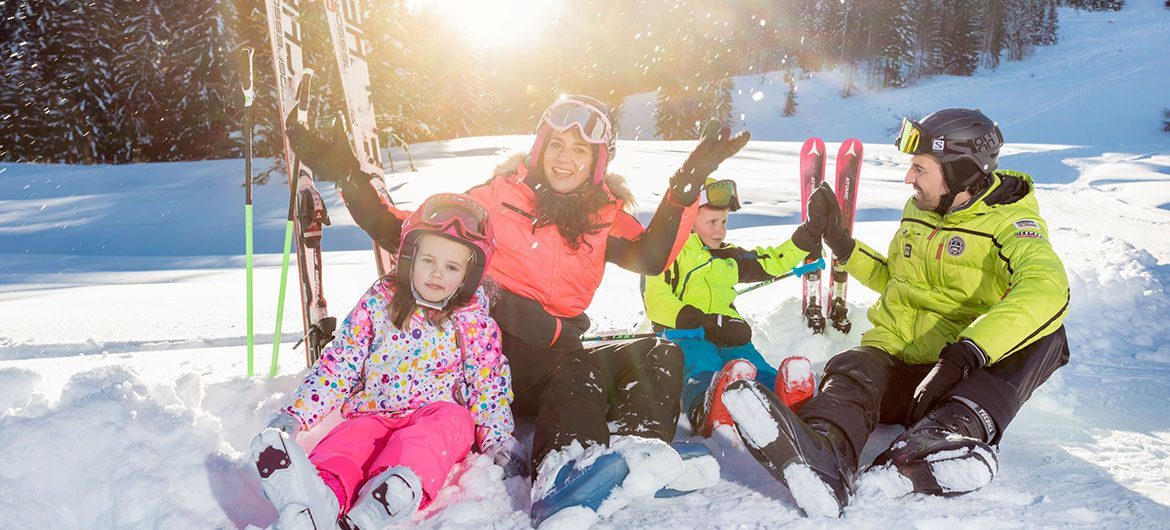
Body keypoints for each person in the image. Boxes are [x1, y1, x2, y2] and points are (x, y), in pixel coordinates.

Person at [285, 95, 750, 521]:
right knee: (575, 374)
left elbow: (650, 256)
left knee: (657, 352)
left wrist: (686, 186)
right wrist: (347, 172)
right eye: (557, 144)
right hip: (486, 356)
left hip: (555, 353)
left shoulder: (602, 216)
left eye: (580, 150)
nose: (564, 158)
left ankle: (636, 455)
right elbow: (404, 231)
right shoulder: (496, 197)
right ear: (540, 147)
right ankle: (566, 471)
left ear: (597, 162)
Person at [724, 108, 1071, 517]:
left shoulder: (1011, 224)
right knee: (854, 366)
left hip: (955, 381)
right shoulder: (919, 210)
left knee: (1047, 337)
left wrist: (968, 352)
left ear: (960, 171)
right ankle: (822, 452)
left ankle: (935, 442)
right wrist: (841, 243)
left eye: (920, 168)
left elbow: (1046, 289)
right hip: (899, 365)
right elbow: (897, 279)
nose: (909, 178)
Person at [250, 194, 524, 529]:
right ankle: (319, 495)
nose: (437, 274)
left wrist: (497, 439)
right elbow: (340, 364)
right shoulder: (379, 304)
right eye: (428, 261)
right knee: (349, 442)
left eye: (451, 267)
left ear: (469, 276)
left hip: (436, 411)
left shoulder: (474, 322)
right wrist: (298, 413)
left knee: (443, 427)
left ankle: (392, 493)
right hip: (374, 411)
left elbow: (488, 384)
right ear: (409, 258)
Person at [643, 177, 832, 437]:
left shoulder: (728, 255)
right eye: (712, 222)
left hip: (728, 332)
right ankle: (706, 408)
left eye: (724, 222)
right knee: (702, 364)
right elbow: (655, 300)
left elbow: (770, 262)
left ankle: (784, 399)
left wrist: (807, 235)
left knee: (751, 363)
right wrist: (702, 322)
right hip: (685, 334)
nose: (720, 230)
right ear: (688, 220)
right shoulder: (668, 254)